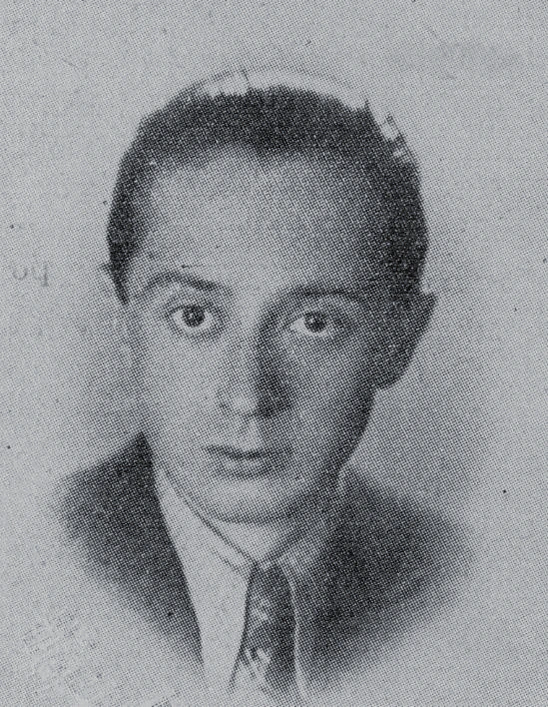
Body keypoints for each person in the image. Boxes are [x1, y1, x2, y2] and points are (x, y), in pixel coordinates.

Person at [60, 69, 462, 705]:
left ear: (400, 340)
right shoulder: (36, 557)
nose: (248, 395)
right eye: (194, 317)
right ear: (124, 320)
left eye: (314, 324)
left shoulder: (463, 582)